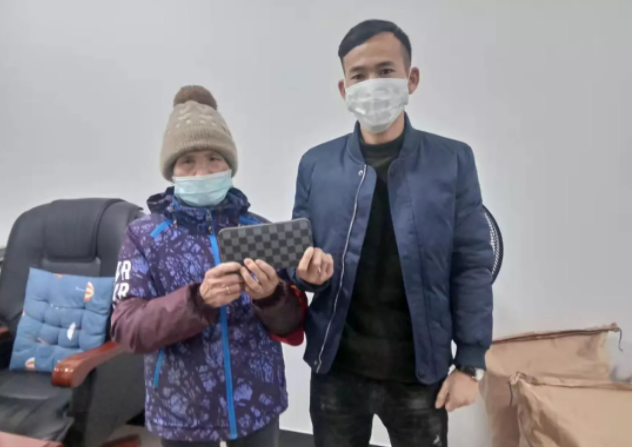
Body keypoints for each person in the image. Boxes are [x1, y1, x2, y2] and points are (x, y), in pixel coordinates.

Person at [288, 20, 494, 447]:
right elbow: (299, 260)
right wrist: (307, 274)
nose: (372, 84)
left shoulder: (452, 161)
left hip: (420, 370)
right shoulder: (316, 165)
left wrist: (470, 363)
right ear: (344, 89)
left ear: (411, 79)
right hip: (336, 368)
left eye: (385, 71)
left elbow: (472, 264)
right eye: (358, 75)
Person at [110, 85, 326, 447]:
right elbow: (126, 328)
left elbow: (291, 325)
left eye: (214, 157)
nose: (202, 171)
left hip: (258, 402)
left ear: (230, 164)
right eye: (187, 160)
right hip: (182, 410)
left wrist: (271, 297)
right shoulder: (144, 236)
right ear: (171, 170)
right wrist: (198, 301)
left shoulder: (258, 230)